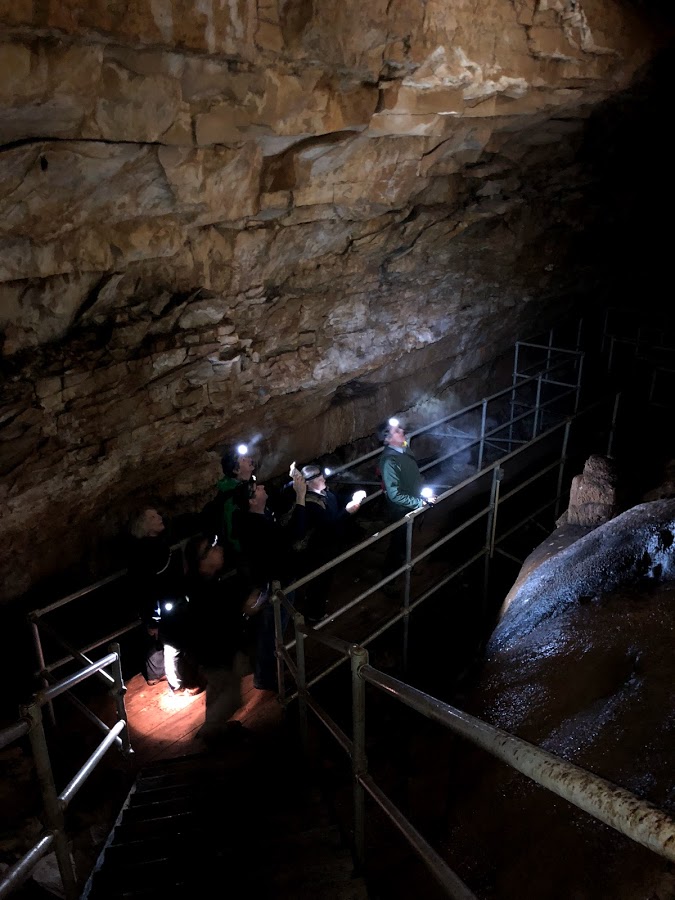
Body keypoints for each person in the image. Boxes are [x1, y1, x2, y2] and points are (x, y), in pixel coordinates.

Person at [238, 474, 305, 692]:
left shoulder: (259, 516)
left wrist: (292, 485)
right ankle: (264, 677)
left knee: (275, 628)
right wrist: (301, 497)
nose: (262, 487)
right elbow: (294, 533)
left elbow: (277, 500)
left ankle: (272, 665)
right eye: (256, 489)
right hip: (274, 583)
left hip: (276, 579)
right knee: (272, 630)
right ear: (251, 501)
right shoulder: (257, 527)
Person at [183, 533, 251, 743]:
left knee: (218, 689)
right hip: (216, 655)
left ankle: (216, 728)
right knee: (232, 697)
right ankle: (211, 733)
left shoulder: (206, 582)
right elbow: (218, 622)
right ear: (202, 562)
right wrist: (248, 607)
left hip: (211, 653)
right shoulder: (203, 591)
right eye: (211, 547)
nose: (218, 547)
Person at [125, 506, 199, 695]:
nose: (159, 517)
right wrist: (153, 619)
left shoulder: (152, 546)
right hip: (164, 604)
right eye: (153, 516)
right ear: (144, 525)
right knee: (171, 644)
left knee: (169, 641)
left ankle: (161, 675)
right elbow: (148, 588)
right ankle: (177, 684)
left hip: (168, 601)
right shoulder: (147, 552)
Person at [291, 464, 364, 624]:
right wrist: (347, 511)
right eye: (318, 477)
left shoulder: (326, 493)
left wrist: (353, 498)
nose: (323, 478)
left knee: (327, 578)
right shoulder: (310, 504)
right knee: (320, 580)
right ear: (308, 483)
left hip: (332, 545)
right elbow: (328, 527)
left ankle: (318, 607)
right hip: (320, 549)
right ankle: (313, 614)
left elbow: (337, 502)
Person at [377, 419, 436, 577]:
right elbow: (394, 494)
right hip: (401, 509)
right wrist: (420, 502)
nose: (402, 431)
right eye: (396, 431)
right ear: (387, 439)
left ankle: (404, 567)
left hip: (413, 502)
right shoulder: (389, 461)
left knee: (406, 540)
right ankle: (388, 580)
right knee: (398, 542)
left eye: (400, 429)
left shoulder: (403, 448)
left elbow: (410, 468)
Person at [200, 443, 256, 564]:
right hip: (244, 546)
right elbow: (232, 527)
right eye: (243, 460)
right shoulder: (231, 496)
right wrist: (242, 549)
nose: (249, 459)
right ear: (236, 470)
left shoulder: (245, 484)